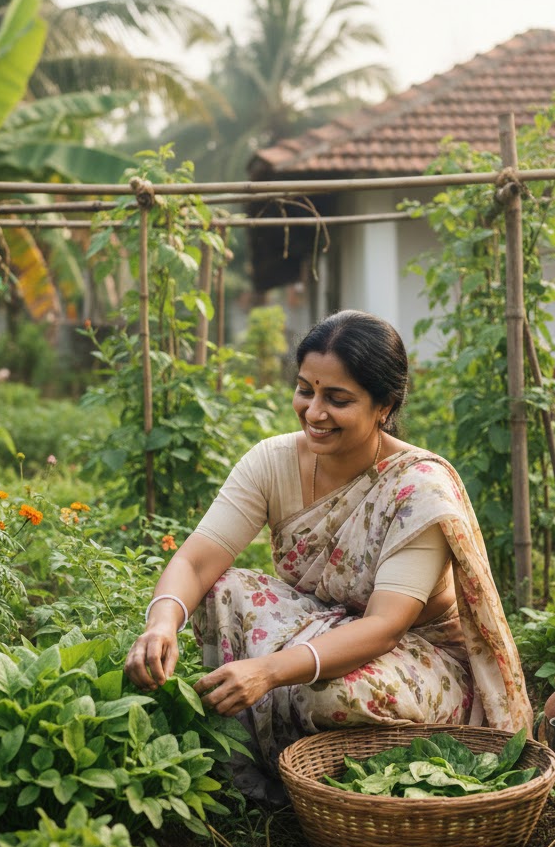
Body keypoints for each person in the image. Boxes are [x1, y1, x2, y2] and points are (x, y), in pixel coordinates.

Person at [124, 310, 532, 801]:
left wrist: (269, 670)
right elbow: (194, 562)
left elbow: (383, 627)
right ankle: (262, 764)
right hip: (319, 627)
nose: (314, 412)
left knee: (326, 692)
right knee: (221, 587)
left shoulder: (417, 488)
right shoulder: (272, 462)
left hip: (415, 659)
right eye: (305, 390)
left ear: (384, 406)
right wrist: (160, 624)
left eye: (337, 399)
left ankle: (338, 781)